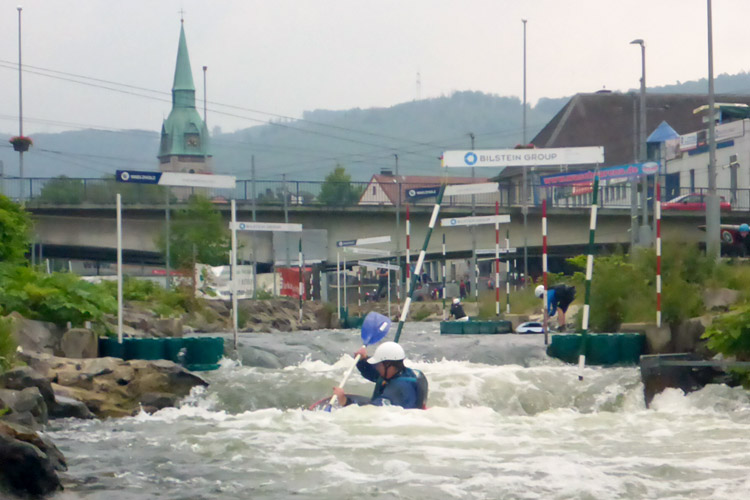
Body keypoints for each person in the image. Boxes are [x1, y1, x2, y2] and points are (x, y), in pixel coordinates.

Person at [332, 342, 428, 409]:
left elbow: (374, 410)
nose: (376, 367)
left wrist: (345, 401)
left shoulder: (398, 389)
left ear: (388, 365)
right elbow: (375, 375)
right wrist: (362, 361)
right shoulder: (409, 373)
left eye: (378, 364)